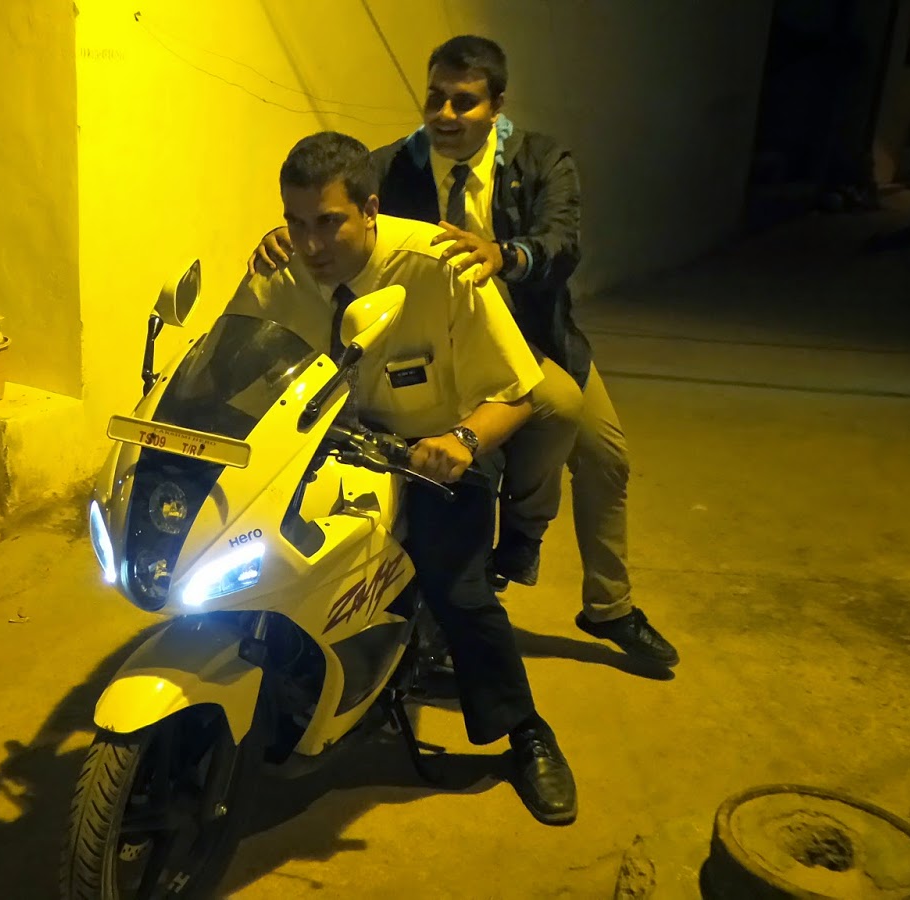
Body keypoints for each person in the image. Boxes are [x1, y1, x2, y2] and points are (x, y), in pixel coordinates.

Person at [251, 35, 678, 667]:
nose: (446, 115)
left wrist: (505, 254)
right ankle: (431, 610)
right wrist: (286, 235)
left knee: (591, 440)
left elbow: (561, 243)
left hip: (531, 334)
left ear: (497, 106)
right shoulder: (392, 166)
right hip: (437, 342)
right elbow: (335, 210)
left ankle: (592, 593)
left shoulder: (542, 161)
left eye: (464, 101)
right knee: (444, 454)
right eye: (435, 99)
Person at [229, 131, 578, 825]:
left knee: (458, 589)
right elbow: (232, 358)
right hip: (319, 447)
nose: (310, 243)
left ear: (370, 210)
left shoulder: (438, 266)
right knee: (254, 561)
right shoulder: (282, 266)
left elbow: (517, 392)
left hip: (435, 449)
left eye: (328, 221)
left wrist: (462, 441)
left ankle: (525, 731)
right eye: (296, 221)